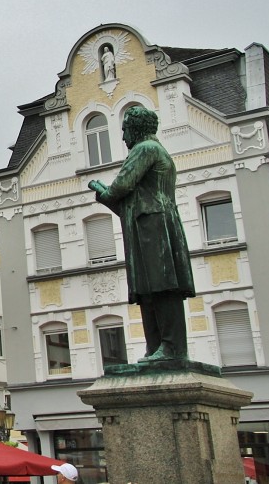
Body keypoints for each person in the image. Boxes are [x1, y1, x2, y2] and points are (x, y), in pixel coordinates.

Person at [88, 106, 195, 361]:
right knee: (147, 288)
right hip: (147, 223)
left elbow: (122, 185)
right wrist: (107, 196)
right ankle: (156, 346)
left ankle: (170, 347)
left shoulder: (145, 149)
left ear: (135, 129)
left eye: (125, 131)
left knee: (161, 284)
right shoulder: (154, 151)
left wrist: (106, 191)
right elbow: (129, 203)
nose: (123, 138)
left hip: (153, 226)